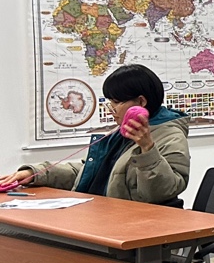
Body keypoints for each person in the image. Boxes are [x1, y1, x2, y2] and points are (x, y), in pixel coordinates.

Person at [1, 64, 190, 205]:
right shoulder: (122, 133)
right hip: (99, 213)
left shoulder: (170, 136)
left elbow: (162, 192)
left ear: (140, 103)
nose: (111, 109)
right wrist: (34, 173)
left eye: (116, 102)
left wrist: (148, 149)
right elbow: (88, 171)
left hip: (132, 224)